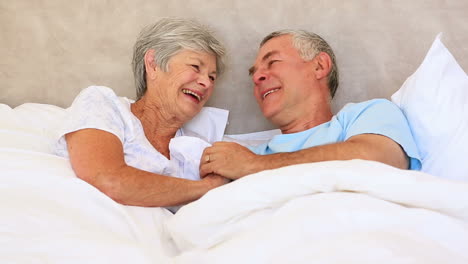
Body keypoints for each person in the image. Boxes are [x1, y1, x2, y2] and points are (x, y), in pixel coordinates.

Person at [200, 29, 421, 180]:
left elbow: (379, 160)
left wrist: (254, 166)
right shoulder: (250, 154)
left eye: (272, 62)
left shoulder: (366, 115)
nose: (257, 77)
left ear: (319, 66)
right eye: (254, 73)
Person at [55, 18, 229, 208]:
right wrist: (206, 188)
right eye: (196, 67)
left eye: (212, 77)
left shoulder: (198, 149)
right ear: (153, 64)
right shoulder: (103, 104)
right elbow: (109, 180)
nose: (207, 83)